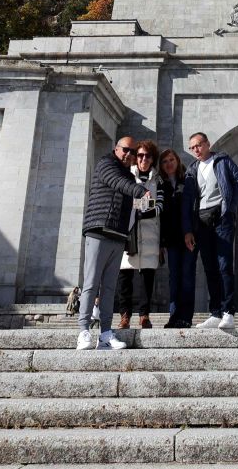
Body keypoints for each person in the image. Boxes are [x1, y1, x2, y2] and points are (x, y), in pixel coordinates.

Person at [77, 133, 152, 351]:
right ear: (116, 149)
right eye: (125, 150)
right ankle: (83, 331)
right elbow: (117, 183)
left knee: (109, 288)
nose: (128, 154)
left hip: (118, 236)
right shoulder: (106, 164)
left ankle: (106, 334)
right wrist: (141, 191)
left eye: (132, 151)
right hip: (99, 230)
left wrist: (152, 205)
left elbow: (136, 208)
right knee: (91, 283)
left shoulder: (129, 177)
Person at [184, 130, 238, 329]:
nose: (196, 150)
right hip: (201, 222)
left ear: (208, 144)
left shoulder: (222, 161)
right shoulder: (192, 169)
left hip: (221, 219)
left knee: (224, 265)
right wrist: (189, 229)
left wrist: (230, 207)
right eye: (192, 147)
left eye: (199, 145)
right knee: (210, 268)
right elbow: (188, 200)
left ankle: (228, 312)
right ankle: (215, 313)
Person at [115, 141, 161, 329]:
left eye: (147, 156)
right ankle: (124, 316)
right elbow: (124, 202)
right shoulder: (126, 175)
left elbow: (159, 207)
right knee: (124, 276)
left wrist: (140, 207)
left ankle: (144, 315)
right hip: (129, 233)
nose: (143, 159)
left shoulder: (157, 180)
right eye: (140, 155)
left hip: (150, 234)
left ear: (152, 159)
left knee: (147, 278)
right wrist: (144, 207)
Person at [159, 147, 195, 328]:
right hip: (171, 239)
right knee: (174, 277)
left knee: (187, 276)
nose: (168, 164)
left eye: (171, 160)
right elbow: (161, 217)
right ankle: (174, 316)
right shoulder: (161, 185)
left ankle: (186, 317)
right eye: (165, 161)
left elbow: (190, 209)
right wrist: (161, 242)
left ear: (177, 161)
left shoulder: (187, 181)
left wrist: (190, 231)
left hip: (188, 237)